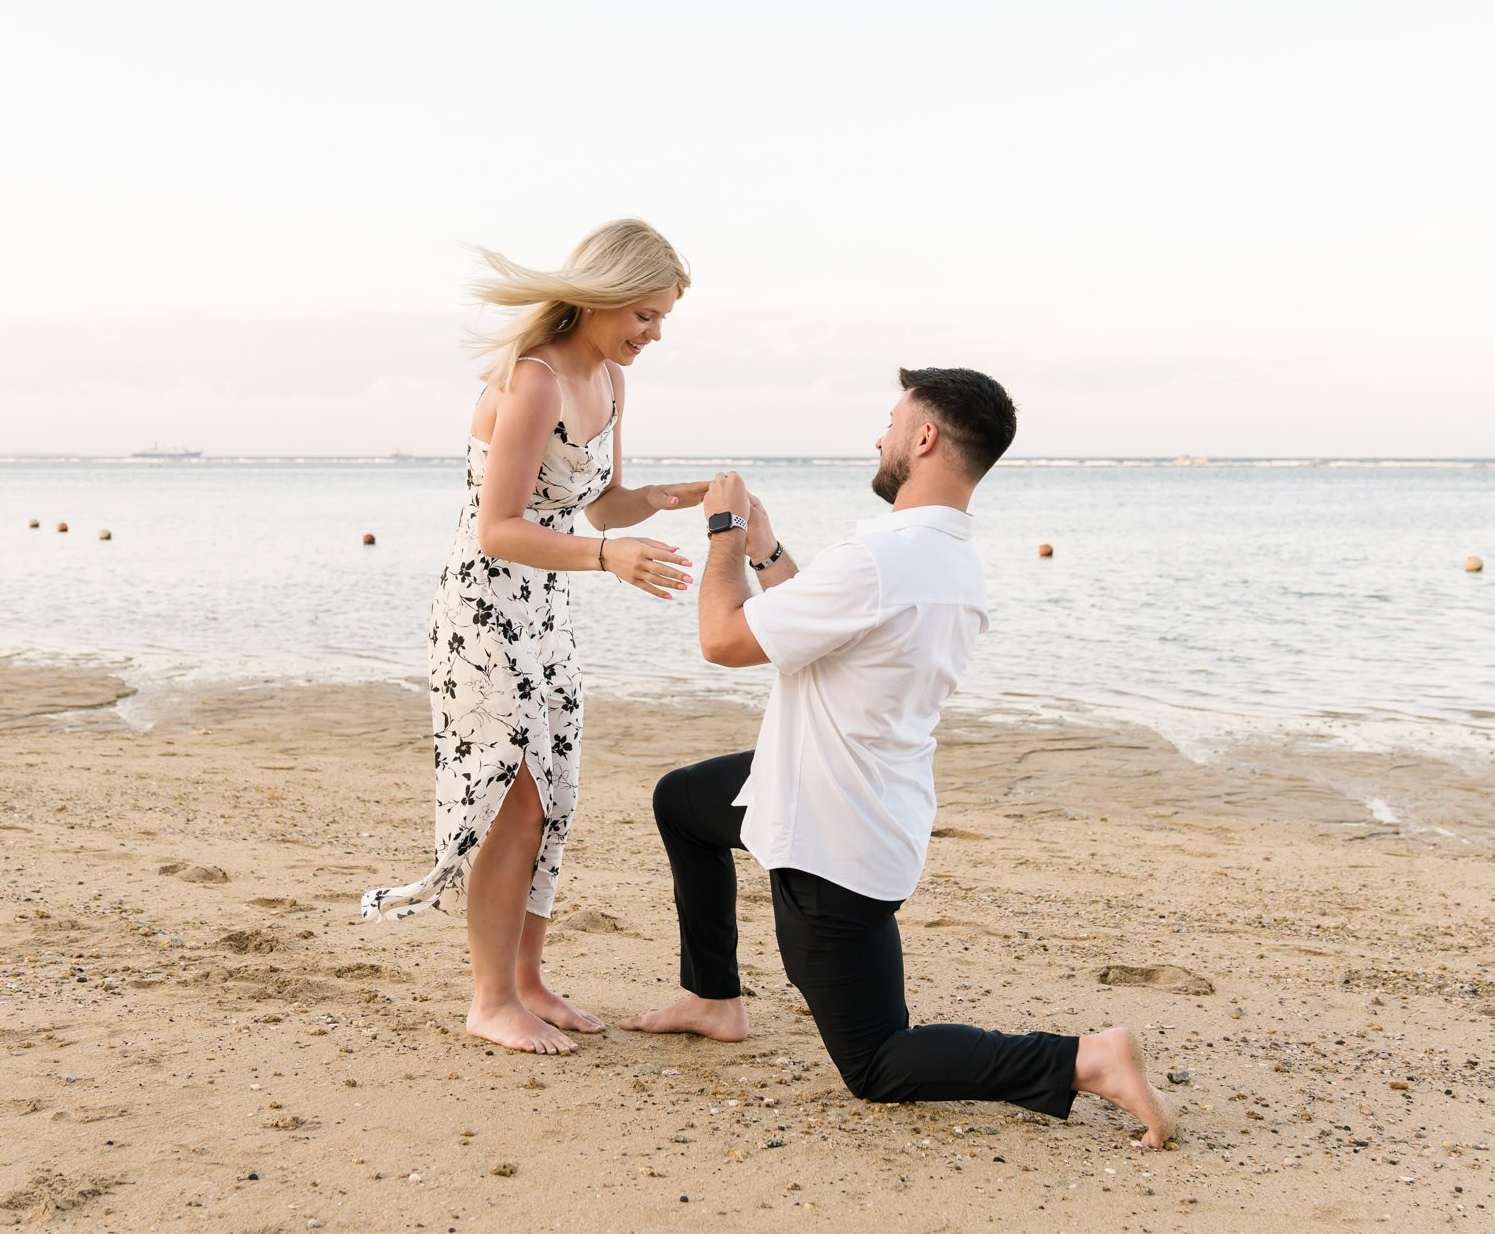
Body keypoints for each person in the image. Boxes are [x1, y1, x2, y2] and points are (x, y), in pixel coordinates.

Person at [619, 367, 1177, 1144]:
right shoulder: (944, 559)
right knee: (684, 801)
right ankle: (714, 998)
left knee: (877, 1062)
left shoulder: (880, 562)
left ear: (924, 437)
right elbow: (822, 623)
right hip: (848, 793)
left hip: (829, 837)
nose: (878, 435)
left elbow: (723, 640)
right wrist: (765, 542)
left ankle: (1087, 1058)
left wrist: (720, 535)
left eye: (890, 420)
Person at [362, 219, 713, 1056]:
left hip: (547, 610)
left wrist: (668, 497)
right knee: (509, 799)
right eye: (647, 315)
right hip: (483, 611)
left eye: (662, 320)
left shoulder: (610, 382)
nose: (654, 335)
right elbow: (499, 528)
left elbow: (602, 501)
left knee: (553, 797)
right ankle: (489, 999)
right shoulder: (535, 379)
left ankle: (527, 980)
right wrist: (607, 557)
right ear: (604, 295)